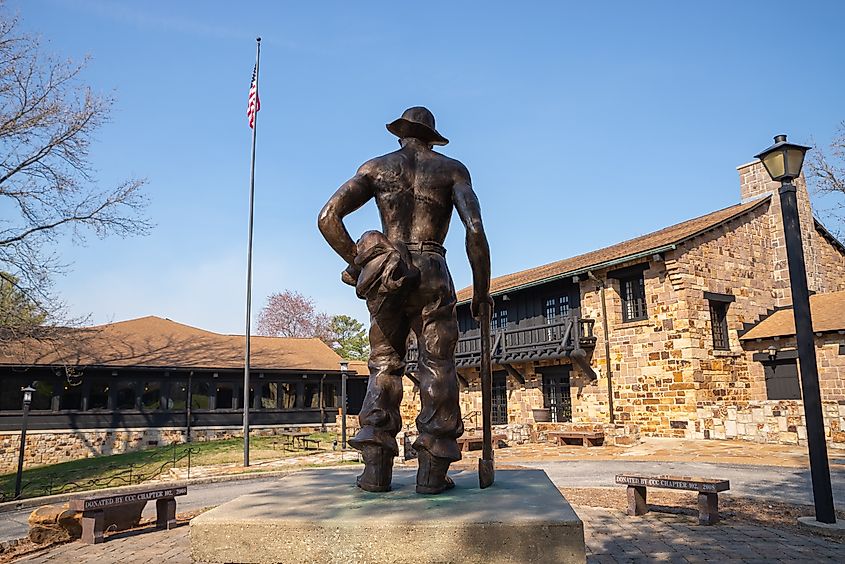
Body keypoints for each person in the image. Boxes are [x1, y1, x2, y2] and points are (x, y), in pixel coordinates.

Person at [318, 106, 491, 494]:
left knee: (383, 364)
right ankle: (432, 472)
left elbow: (328, 217)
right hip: (432, 270)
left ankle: (375, 471)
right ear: (432, 138)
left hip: (389, 274)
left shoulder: (376, 168)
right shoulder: (452, 170)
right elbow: (475, 230)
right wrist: (482, 292)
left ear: (401, 136)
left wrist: (366, 264)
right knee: (438, 367)